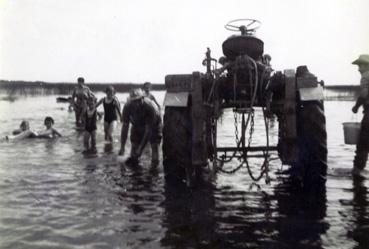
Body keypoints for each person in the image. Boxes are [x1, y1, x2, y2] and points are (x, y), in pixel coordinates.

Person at [119, 88, 162, 167]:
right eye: (133, 101)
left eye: (138, 101)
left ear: (142, 98)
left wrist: (141, 149)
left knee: (154, 146)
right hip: (137, 124)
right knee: (134, 149)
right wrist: (122, 147)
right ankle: (136, 172)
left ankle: (154, 169)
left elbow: (148, 131)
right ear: (130, 101)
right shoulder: (127, 106)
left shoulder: (150, 107)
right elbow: (125, 127)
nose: (136, 104)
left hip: (154, 125)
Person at [351, 54, 369, 176]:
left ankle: (357, 173)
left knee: (363, 143)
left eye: (360, 65)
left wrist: (356, 107)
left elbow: (364, 94)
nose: (358, 69)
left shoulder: (366, 76)